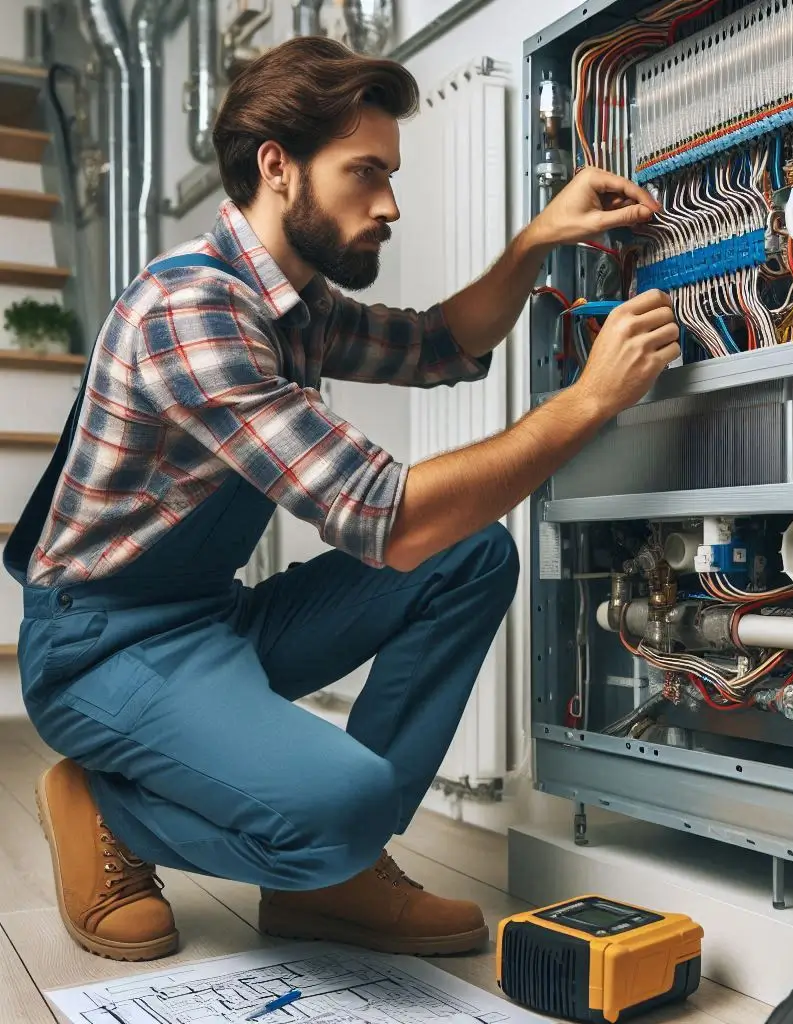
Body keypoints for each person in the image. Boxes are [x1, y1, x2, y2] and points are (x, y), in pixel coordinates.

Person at [6, 35, 680, 963]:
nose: (390, 203)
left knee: (473, 552)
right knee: (346, 801)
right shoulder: (193, 311)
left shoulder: (297, 305)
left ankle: (335, 877)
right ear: (278, 168)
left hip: (210, 621)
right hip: (102, 647)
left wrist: (534, 242)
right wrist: (590, 401)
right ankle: (108, 809)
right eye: (365, 172)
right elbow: (391, 519)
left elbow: (442, 342)